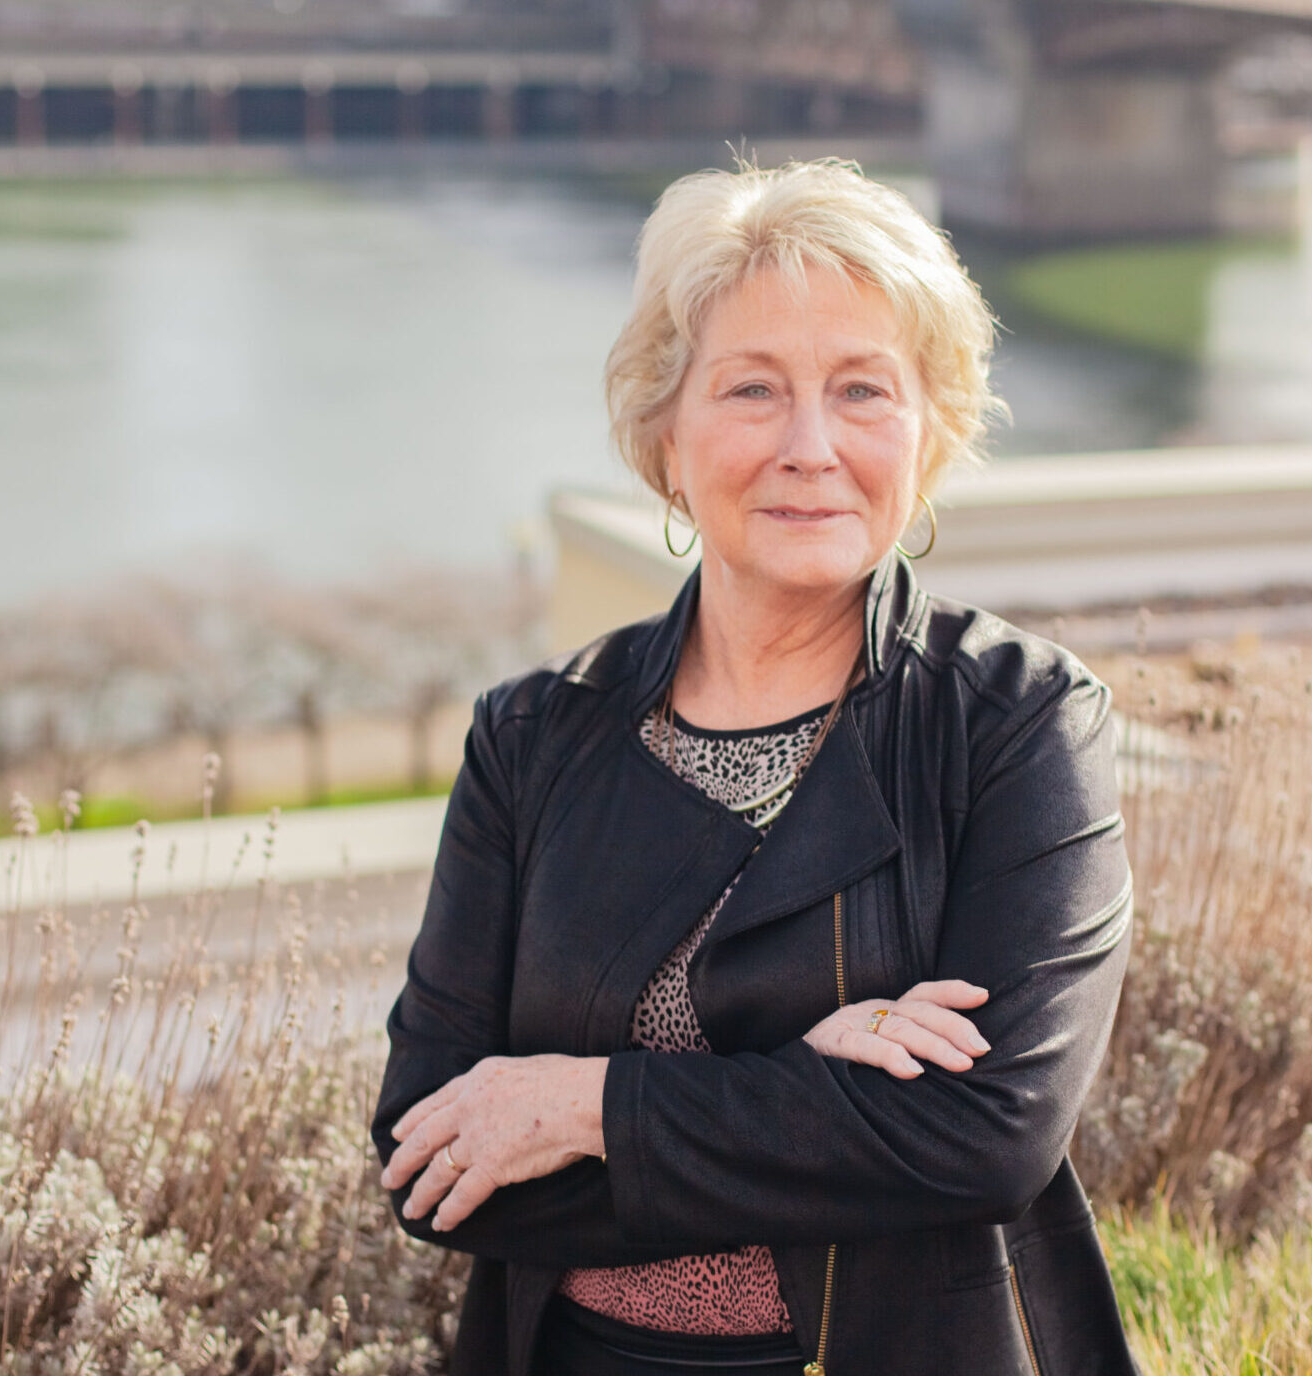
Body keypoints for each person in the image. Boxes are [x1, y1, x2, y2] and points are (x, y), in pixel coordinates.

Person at [374, 158, 1138, 1376]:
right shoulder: (532, 736)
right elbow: (431, 1161)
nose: (811, 445)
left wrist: (580, 1108)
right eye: (752, 389)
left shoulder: (1017, 723)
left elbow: (993, 1136)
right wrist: (818, 1100)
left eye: (861, 390)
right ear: (664, 434)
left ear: (927, 437)